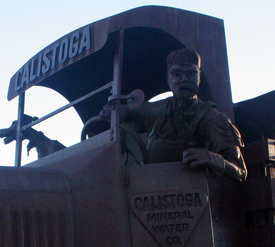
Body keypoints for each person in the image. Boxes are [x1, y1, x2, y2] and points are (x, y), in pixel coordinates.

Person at [104, 48, 247, 182]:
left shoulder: (215, 120)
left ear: (199, 77)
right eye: (177, 74)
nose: (184, 79)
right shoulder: (155, 110)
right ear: (168, 78)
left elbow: (240, 171)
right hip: (150, 191)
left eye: (190, 73)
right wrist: (115, 113)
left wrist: (212, 159)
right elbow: (128, 118)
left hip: (193, 196)